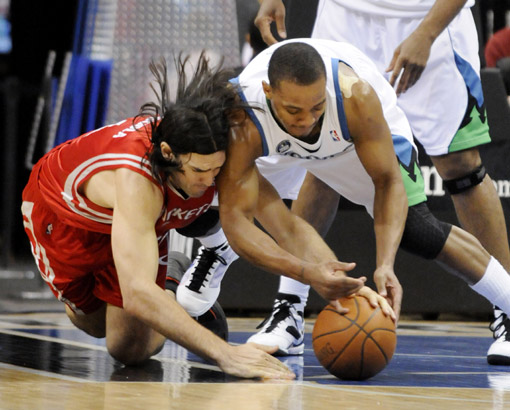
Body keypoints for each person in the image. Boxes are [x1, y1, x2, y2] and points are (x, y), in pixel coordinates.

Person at [175, 39, 510, 361]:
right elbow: (257, 224)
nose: (307, 120)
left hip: (349, 136)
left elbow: (387, 182)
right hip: (272, 139)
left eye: (316, 107)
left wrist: (385, 264)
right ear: (268, 92)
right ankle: (277, 303)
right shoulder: (243, 117)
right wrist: (310, 272)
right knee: (206, 196)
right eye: (294, 110)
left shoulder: (355, 97)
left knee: (416, 230)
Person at [20, 53, 295, 380]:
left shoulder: (206, 149)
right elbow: (137, 294)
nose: (210, 181)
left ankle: (169, 283)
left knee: (129, 350)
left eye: (216, 169)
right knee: (93, 324)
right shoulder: (136, 179)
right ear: (167, 153)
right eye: (199, 171)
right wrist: (226, 354)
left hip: (139, 221)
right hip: (64, 219)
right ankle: (171, 283)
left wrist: (322, 274)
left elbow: (285, 224)